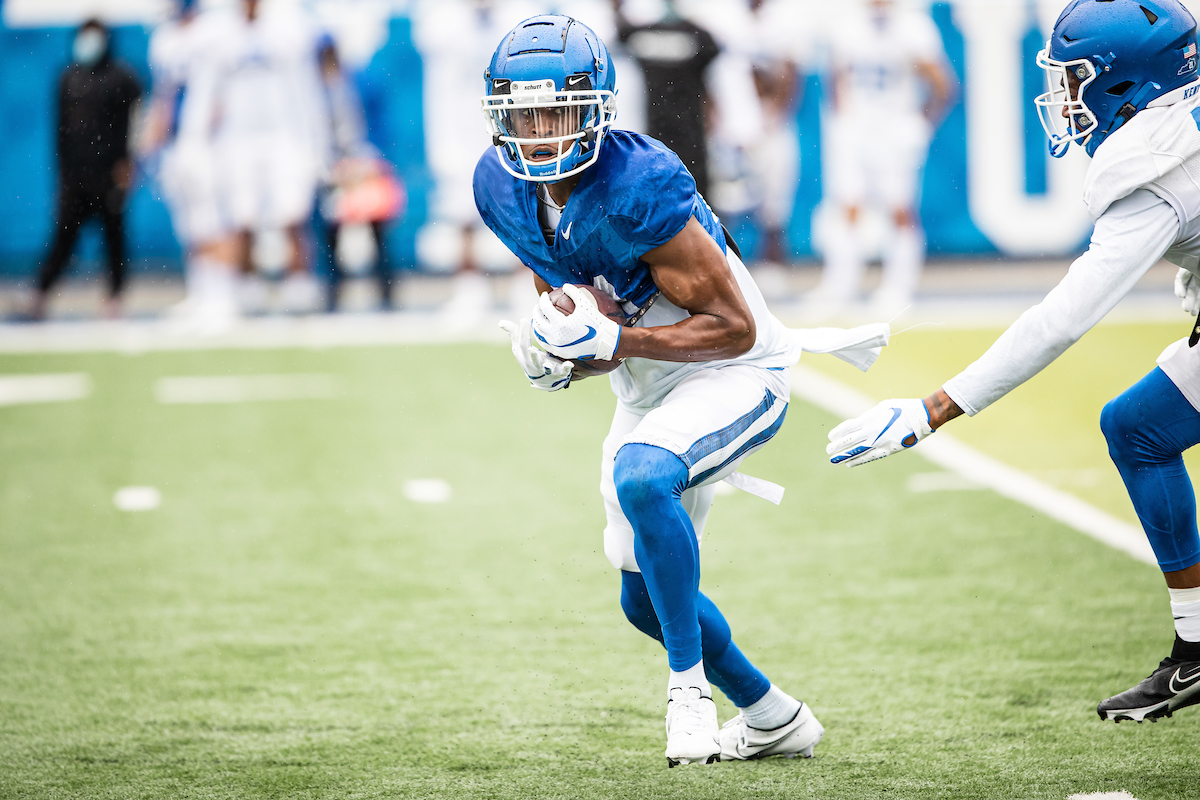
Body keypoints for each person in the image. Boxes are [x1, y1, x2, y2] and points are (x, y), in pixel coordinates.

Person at [826, 0, 1200, 724]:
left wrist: (932, 408)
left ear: (1128, 82)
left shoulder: (1159, 172)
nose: (1063, 98)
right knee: (1137, 428)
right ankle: (1196, 647)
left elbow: (1061, 321)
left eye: (1076, 79)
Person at [476, 14, 828, 766]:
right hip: (647, 384)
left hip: (736, 371)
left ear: (597, 108)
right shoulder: (499, 188)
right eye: (522, 114)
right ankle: (773, 717)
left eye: (558, 112)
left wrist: (615, 343)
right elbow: (584, 310)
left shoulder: (641, 182)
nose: (539, 133)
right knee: (643, 600)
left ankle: (689, 695)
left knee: (643, 475)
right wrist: (559, 354)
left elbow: (733, 327)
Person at [813, 0, 953, 313]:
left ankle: (899, 288)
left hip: (894, 127)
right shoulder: (846, 25)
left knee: (899, 208)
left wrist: (922, 124)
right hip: (856, 127)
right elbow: (836, 77)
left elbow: (943, 84)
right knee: (848, 205)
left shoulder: (914, 26)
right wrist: (842, 119)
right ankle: (840, 286)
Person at [31, 19, 142, 321]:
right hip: (75, 176)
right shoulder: (69, 78)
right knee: (63, 239)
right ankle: (40, 294)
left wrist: (130, 162)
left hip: (110, 174)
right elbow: (60, 130)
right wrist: (62, 175)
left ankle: (115, 299)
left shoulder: (123, 77)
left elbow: (137, 120)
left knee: (114, 238)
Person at [141, 0, 240, 330]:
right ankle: (203, 293)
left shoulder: (215, 32)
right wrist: (150, 147)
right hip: (176, 145)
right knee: (190, 224)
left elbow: (227, 91)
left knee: (214, 220)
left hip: (208, 143)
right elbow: (163, 97)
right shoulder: (164, 40)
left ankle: (224, 297)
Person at [612, 0, 720, 200]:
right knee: (693, 200)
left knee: (664, 200)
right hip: (682, 136)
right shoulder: (698, 36)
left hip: (666, 135)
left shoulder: (643, 33)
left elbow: (621, 31)